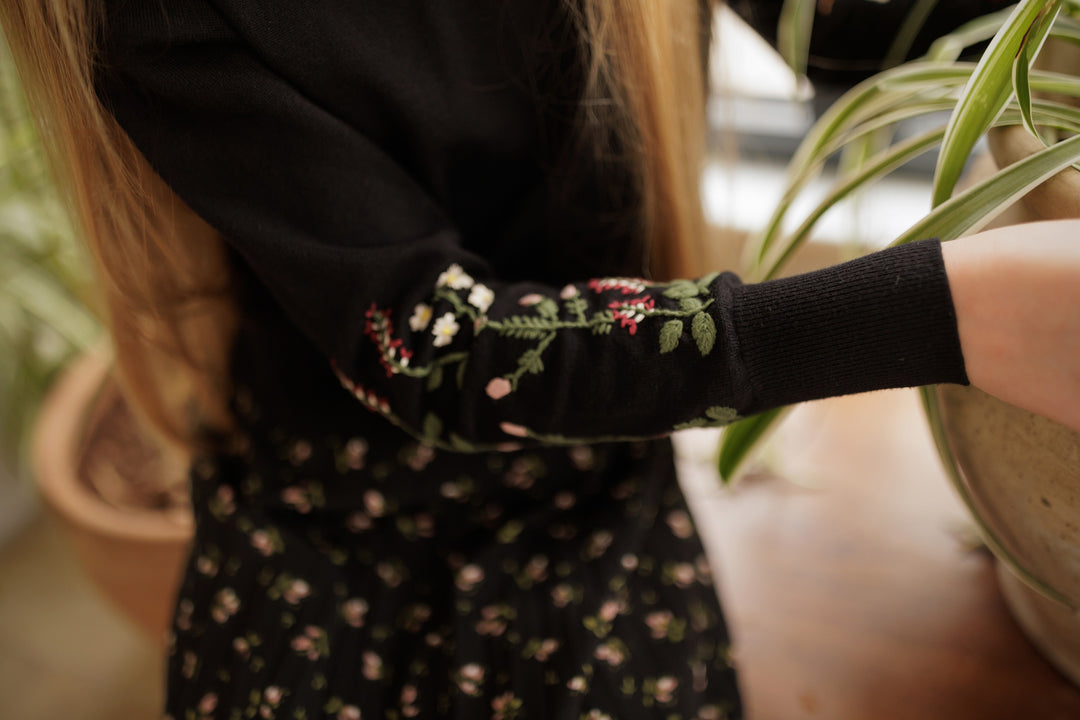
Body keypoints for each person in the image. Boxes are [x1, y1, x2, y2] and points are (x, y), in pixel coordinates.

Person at [4, 1, 1080, 718]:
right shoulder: (166, 18)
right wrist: (954, 315)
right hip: (343, 519)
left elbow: (863, 26)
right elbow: (442, 347)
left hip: (609, 460)